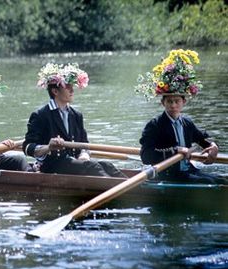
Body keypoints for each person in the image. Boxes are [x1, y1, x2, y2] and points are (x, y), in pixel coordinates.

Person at [136, 49, 225, 184]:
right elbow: (145, 156)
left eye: (177, 101)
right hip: (169, 175)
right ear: (162, 103)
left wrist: (213, 146)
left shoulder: (187, 123)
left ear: (184, 102)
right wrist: (176, 151)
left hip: (188, 170)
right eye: (169, 101)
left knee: (222, 180)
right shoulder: (155, 125)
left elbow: (202, 139)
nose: (173, 105)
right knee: (212, 182)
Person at [23, 63, 126, 177]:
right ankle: (124, 192)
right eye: (67, 87)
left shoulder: (76, 115)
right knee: (93, 166)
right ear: (55, 91)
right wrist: (48, 147)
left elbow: (84, 143)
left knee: (108, 165)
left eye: (72, 86)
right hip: (52, 166)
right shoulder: (40, 115)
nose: (72, 90)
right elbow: (28, 147)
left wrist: (84, 155)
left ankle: (135, 189)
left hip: (74, 163)